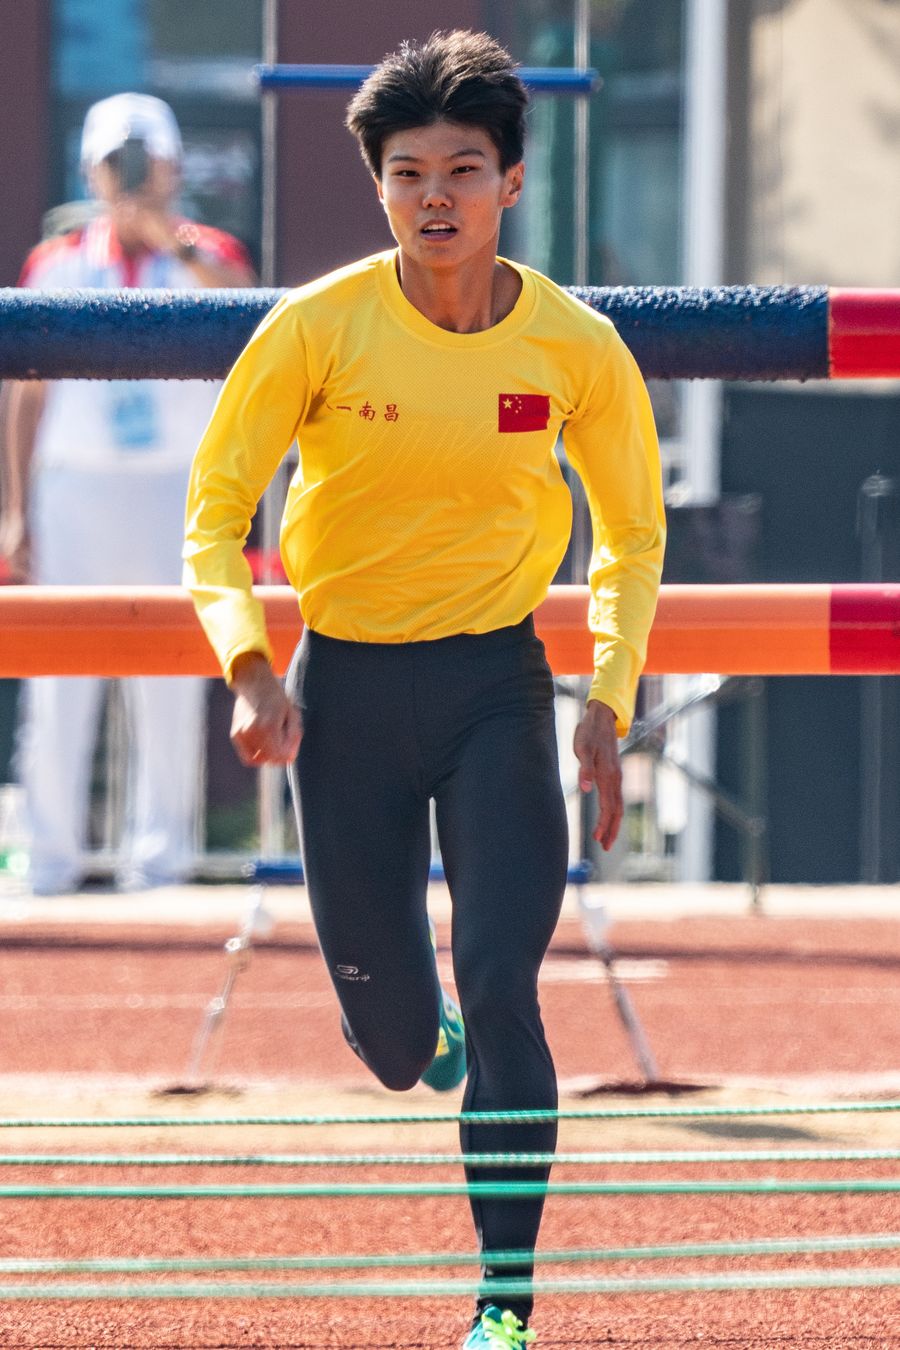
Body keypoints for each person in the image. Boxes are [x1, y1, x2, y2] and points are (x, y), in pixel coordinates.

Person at [183, 31, 664, 1349]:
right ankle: (422, 1036)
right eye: (409, 173)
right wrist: (249, 666)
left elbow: (632, 534)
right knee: (398, 1044)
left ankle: (504, 1303)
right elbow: (213, 513)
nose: (435, 195)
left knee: (506, 983)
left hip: (497, 688)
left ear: (512, 181)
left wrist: (607, 701)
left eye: (462, 168)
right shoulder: (316, 328)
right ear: (379, 186)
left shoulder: (575, 346)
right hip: (344, 695)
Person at [0, 93, 256, 895]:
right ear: (91, 171)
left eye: (146, 161)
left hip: (174, 486)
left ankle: (161, 860)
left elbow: (248, 308)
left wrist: (169, 238)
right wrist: (16, 509)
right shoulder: (57, 261)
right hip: (75, 486)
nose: (134, 177)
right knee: (58, 676)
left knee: (172, 676)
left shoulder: (205, 251)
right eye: (118, 163)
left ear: (174, 168)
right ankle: (50, 859)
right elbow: (27, 391)